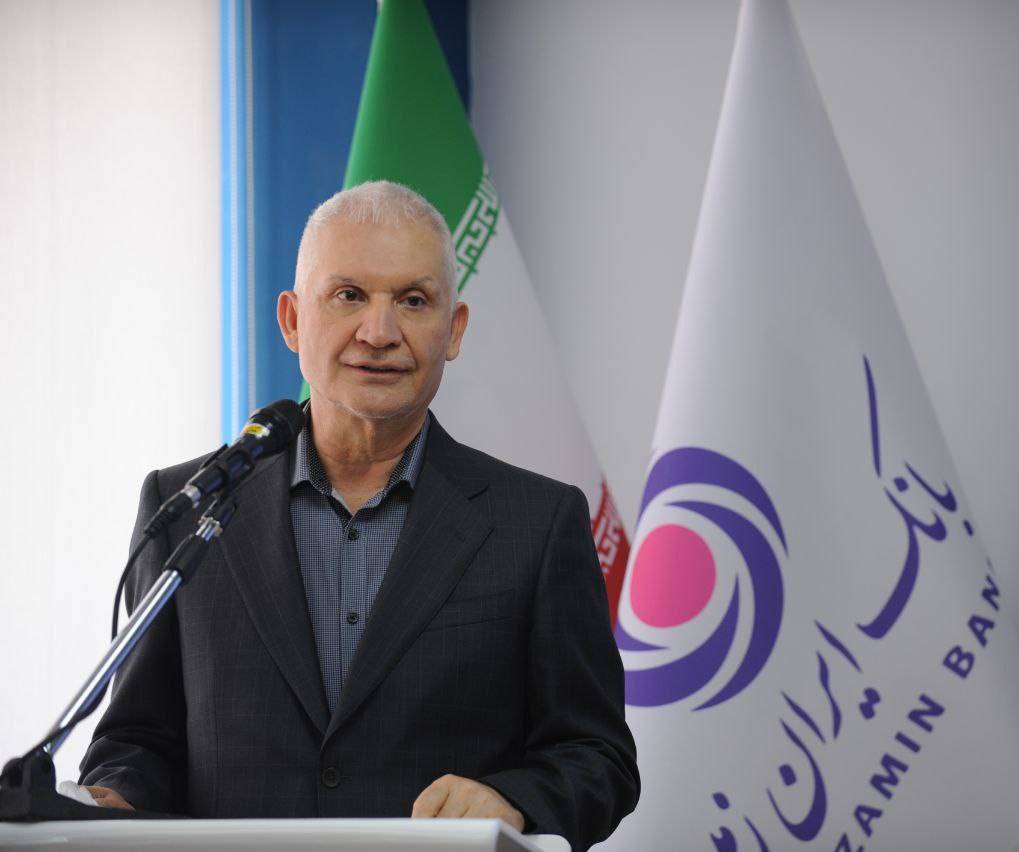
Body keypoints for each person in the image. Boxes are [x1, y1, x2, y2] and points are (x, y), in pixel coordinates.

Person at [78, 181, 639, 850]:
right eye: (348, 295)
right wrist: (112, 799)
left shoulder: (538, 524)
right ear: (292, 320)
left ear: (455, 328)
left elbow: (597, 756)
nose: (379, 333)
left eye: (413, 300)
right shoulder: (188, 507)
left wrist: (513, 801)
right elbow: (138, 743)